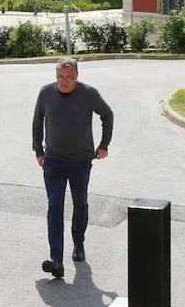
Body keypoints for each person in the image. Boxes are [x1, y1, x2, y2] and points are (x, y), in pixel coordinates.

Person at [32, 57, 114, 279]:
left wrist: (104, 145)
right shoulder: (46, 93)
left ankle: (78, 243)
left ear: (76, 76)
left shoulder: (88, 94)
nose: (64, 81)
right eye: (60, 77)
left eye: (69, 77)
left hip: (80, 161)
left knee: (80, 202)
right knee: (55, 205)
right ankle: (56, 259)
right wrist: (37, 149)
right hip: (54, 161)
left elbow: (107, 114)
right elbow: (38, 120)